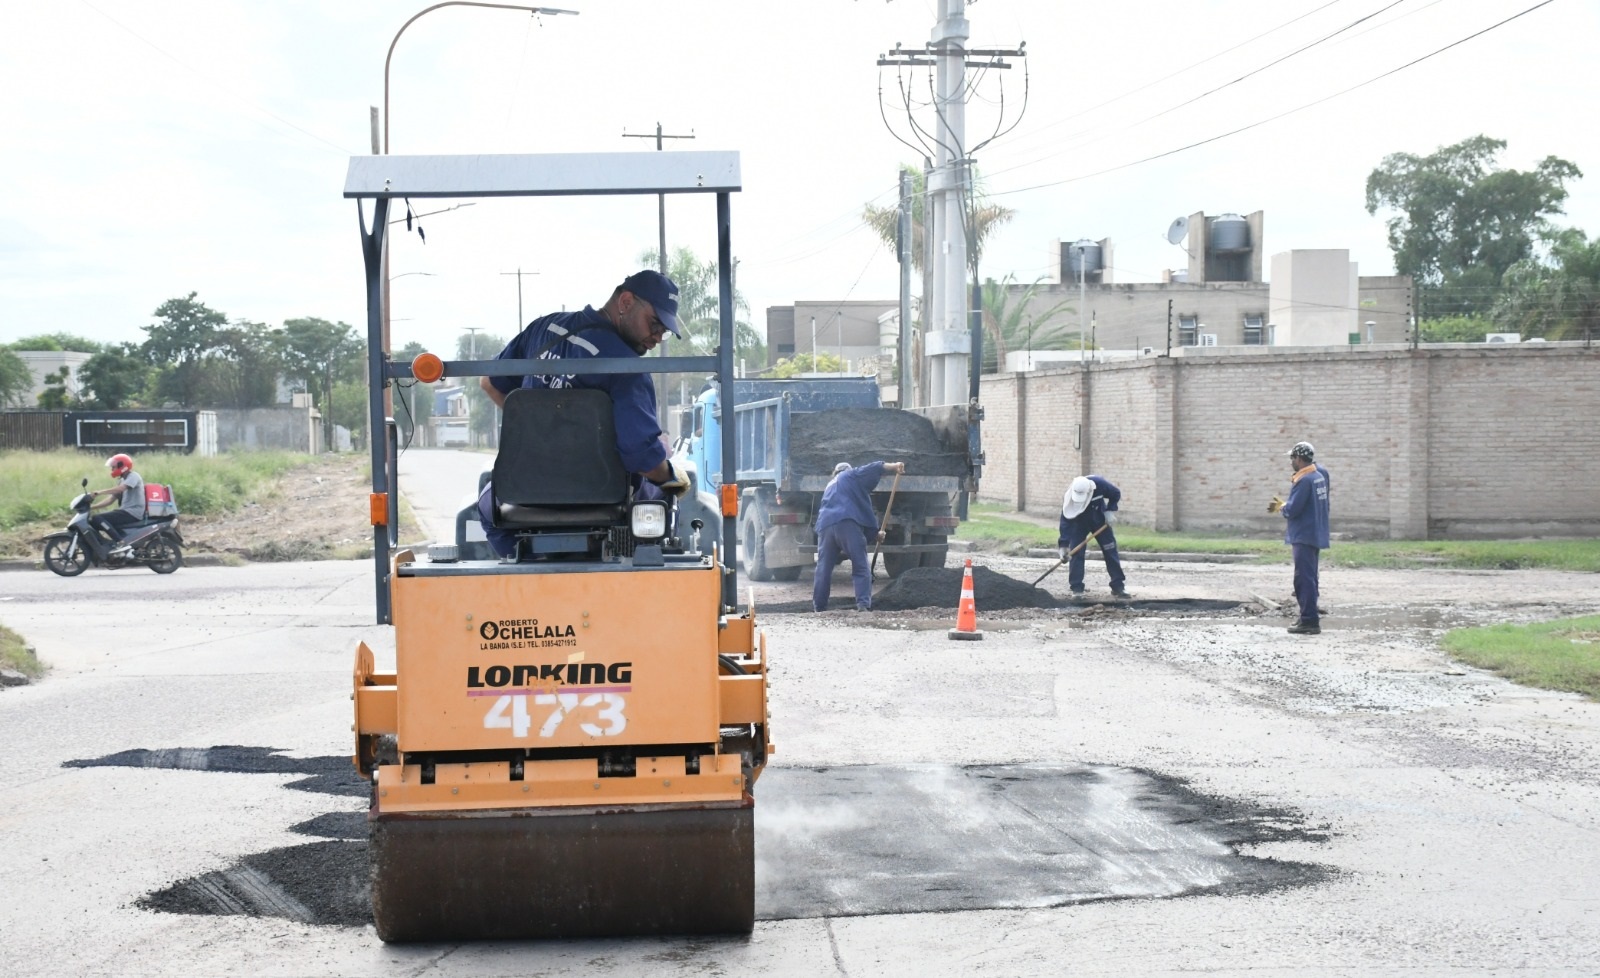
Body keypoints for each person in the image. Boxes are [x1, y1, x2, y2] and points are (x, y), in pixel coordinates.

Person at [476, 270, 691, 556]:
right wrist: (671, 476)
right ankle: (636, 565)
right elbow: (641, 457)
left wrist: (534, 429)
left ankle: (528, 565)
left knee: (486, 507)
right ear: (625, 302)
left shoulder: (545, 329)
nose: (657, 337)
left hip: (528, 493)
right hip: (604, 497)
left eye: (663, 331)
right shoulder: (628, 369)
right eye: (654, 324)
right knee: (664, 502)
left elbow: (489, 382)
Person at [812, 460, 906, 612]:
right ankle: (863, 605)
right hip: (846, 523)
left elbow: (856, 504)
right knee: (860, 564)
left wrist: (875, 534)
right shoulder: (851, 475)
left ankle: (819, 607)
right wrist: (894, 466)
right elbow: (875, 467)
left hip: (825, 526)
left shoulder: (830, 485)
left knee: (823, 568)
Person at [1273, 441, 1330, 635]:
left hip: (1304, 534)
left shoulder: (1304, 480)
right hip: (1315, 532)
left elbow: (1293, 510)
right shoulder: (1318, 476)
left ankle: (1309, 621)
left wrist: (1282, 507)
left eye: (1292, 458)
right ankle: (1309, 615)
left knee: (1303, 579)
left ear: (1298, 458)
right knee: (1311, 577)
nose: (1291, 462)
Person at [1057, 474, 1126, 597]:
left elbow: (1115, 493)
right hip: (1079, 523)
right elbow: (1065, 522)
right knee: (1076, 553)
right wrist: (1063, 545)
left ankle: (1118, 586)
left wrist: (1110, 510)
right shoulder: (1069, 498)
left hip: (1099, 520)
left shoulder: (1099, 484)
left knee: (1110, 550)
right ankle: (1077, 589)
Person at [89, 453, 145, 550]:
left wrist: (99, 492)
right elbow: (111, 500)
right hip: (125, 511)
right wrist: (91, 507)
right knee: (93, 522)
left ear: (122, 466)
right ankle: (105, 545)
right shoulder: (122, 480)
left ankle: (120, 542)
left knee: (97, 518)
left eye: (113, 467)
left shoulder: (134, 476)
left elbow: (121, 489)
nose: (112, 470)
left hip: (133, 512)